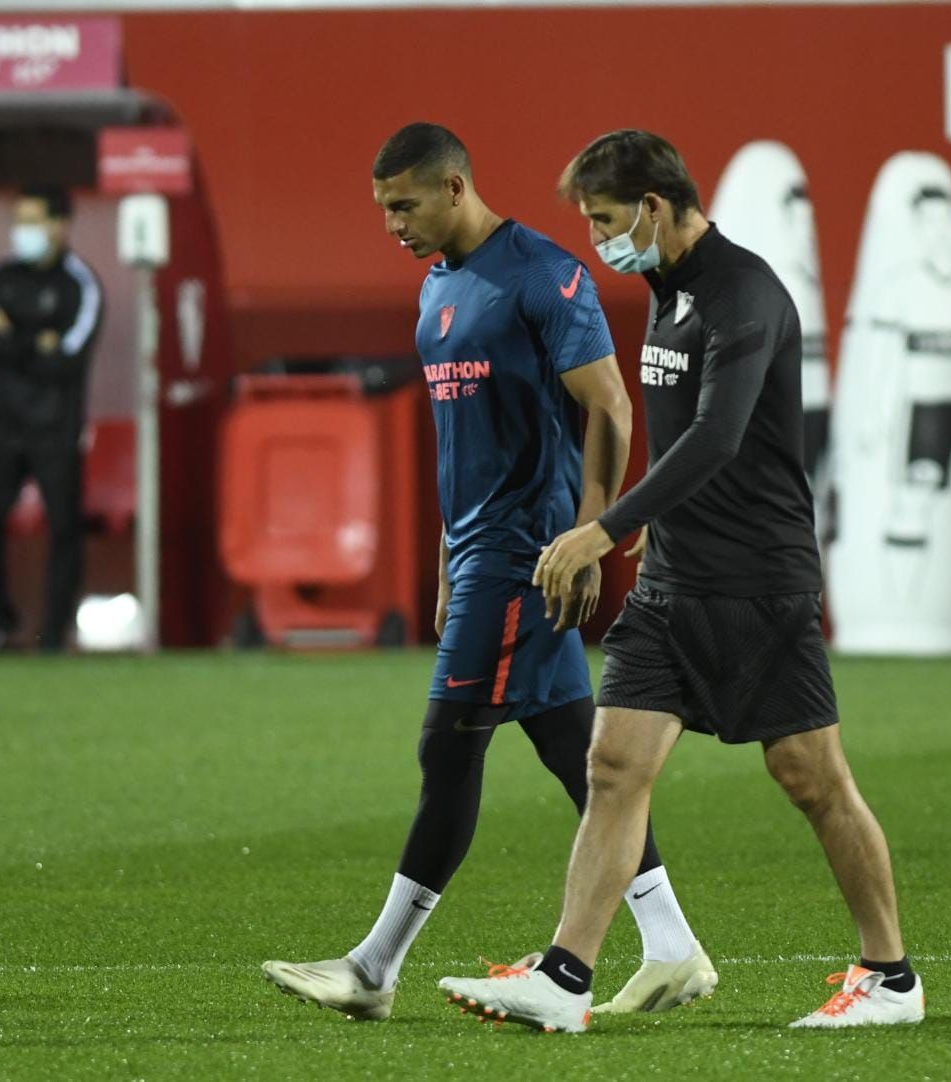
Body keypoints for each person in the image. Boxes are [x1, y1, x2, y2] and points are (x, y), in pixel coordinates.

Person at [439, 130, 924, 1032]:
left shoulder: (745, 294)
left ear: (656, 207)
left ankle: (891, 978)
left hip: (757, 583)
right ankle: (566, 976)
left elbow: (716, 438)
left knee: (811, 775)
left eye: (607, 220)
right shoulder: (668, 290)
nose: (597, 241)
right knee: (614, 763)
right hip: (672, 585)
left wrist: (602, 529)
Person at [262, 123, 714, 1022]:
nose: (392, 223)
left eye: (405, 204)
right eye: (383, 207)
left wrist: (588, 534)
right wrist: (442, 559)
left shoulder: (543, 275)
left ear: (456, 187)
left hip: (527, 557)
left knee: (448, 746)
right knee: (568, 748)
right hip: (476, 557)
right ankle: (671, 946)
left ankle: (374, 967)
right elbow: (457, 447)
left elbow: (611, 405)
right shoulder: (435, 291)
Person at [0, 184, 103, 654]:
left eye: (33, 220)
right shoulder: (1, 275)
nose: (23, 231)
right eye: (18, 220)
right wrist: (34, 341)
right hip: (2, 423)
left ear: (60, 226)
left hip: (54, 426)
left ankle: (53, 632)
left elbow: (66, 361)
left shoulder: (80, 284)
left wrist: (11, 338)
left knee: (63, 526)